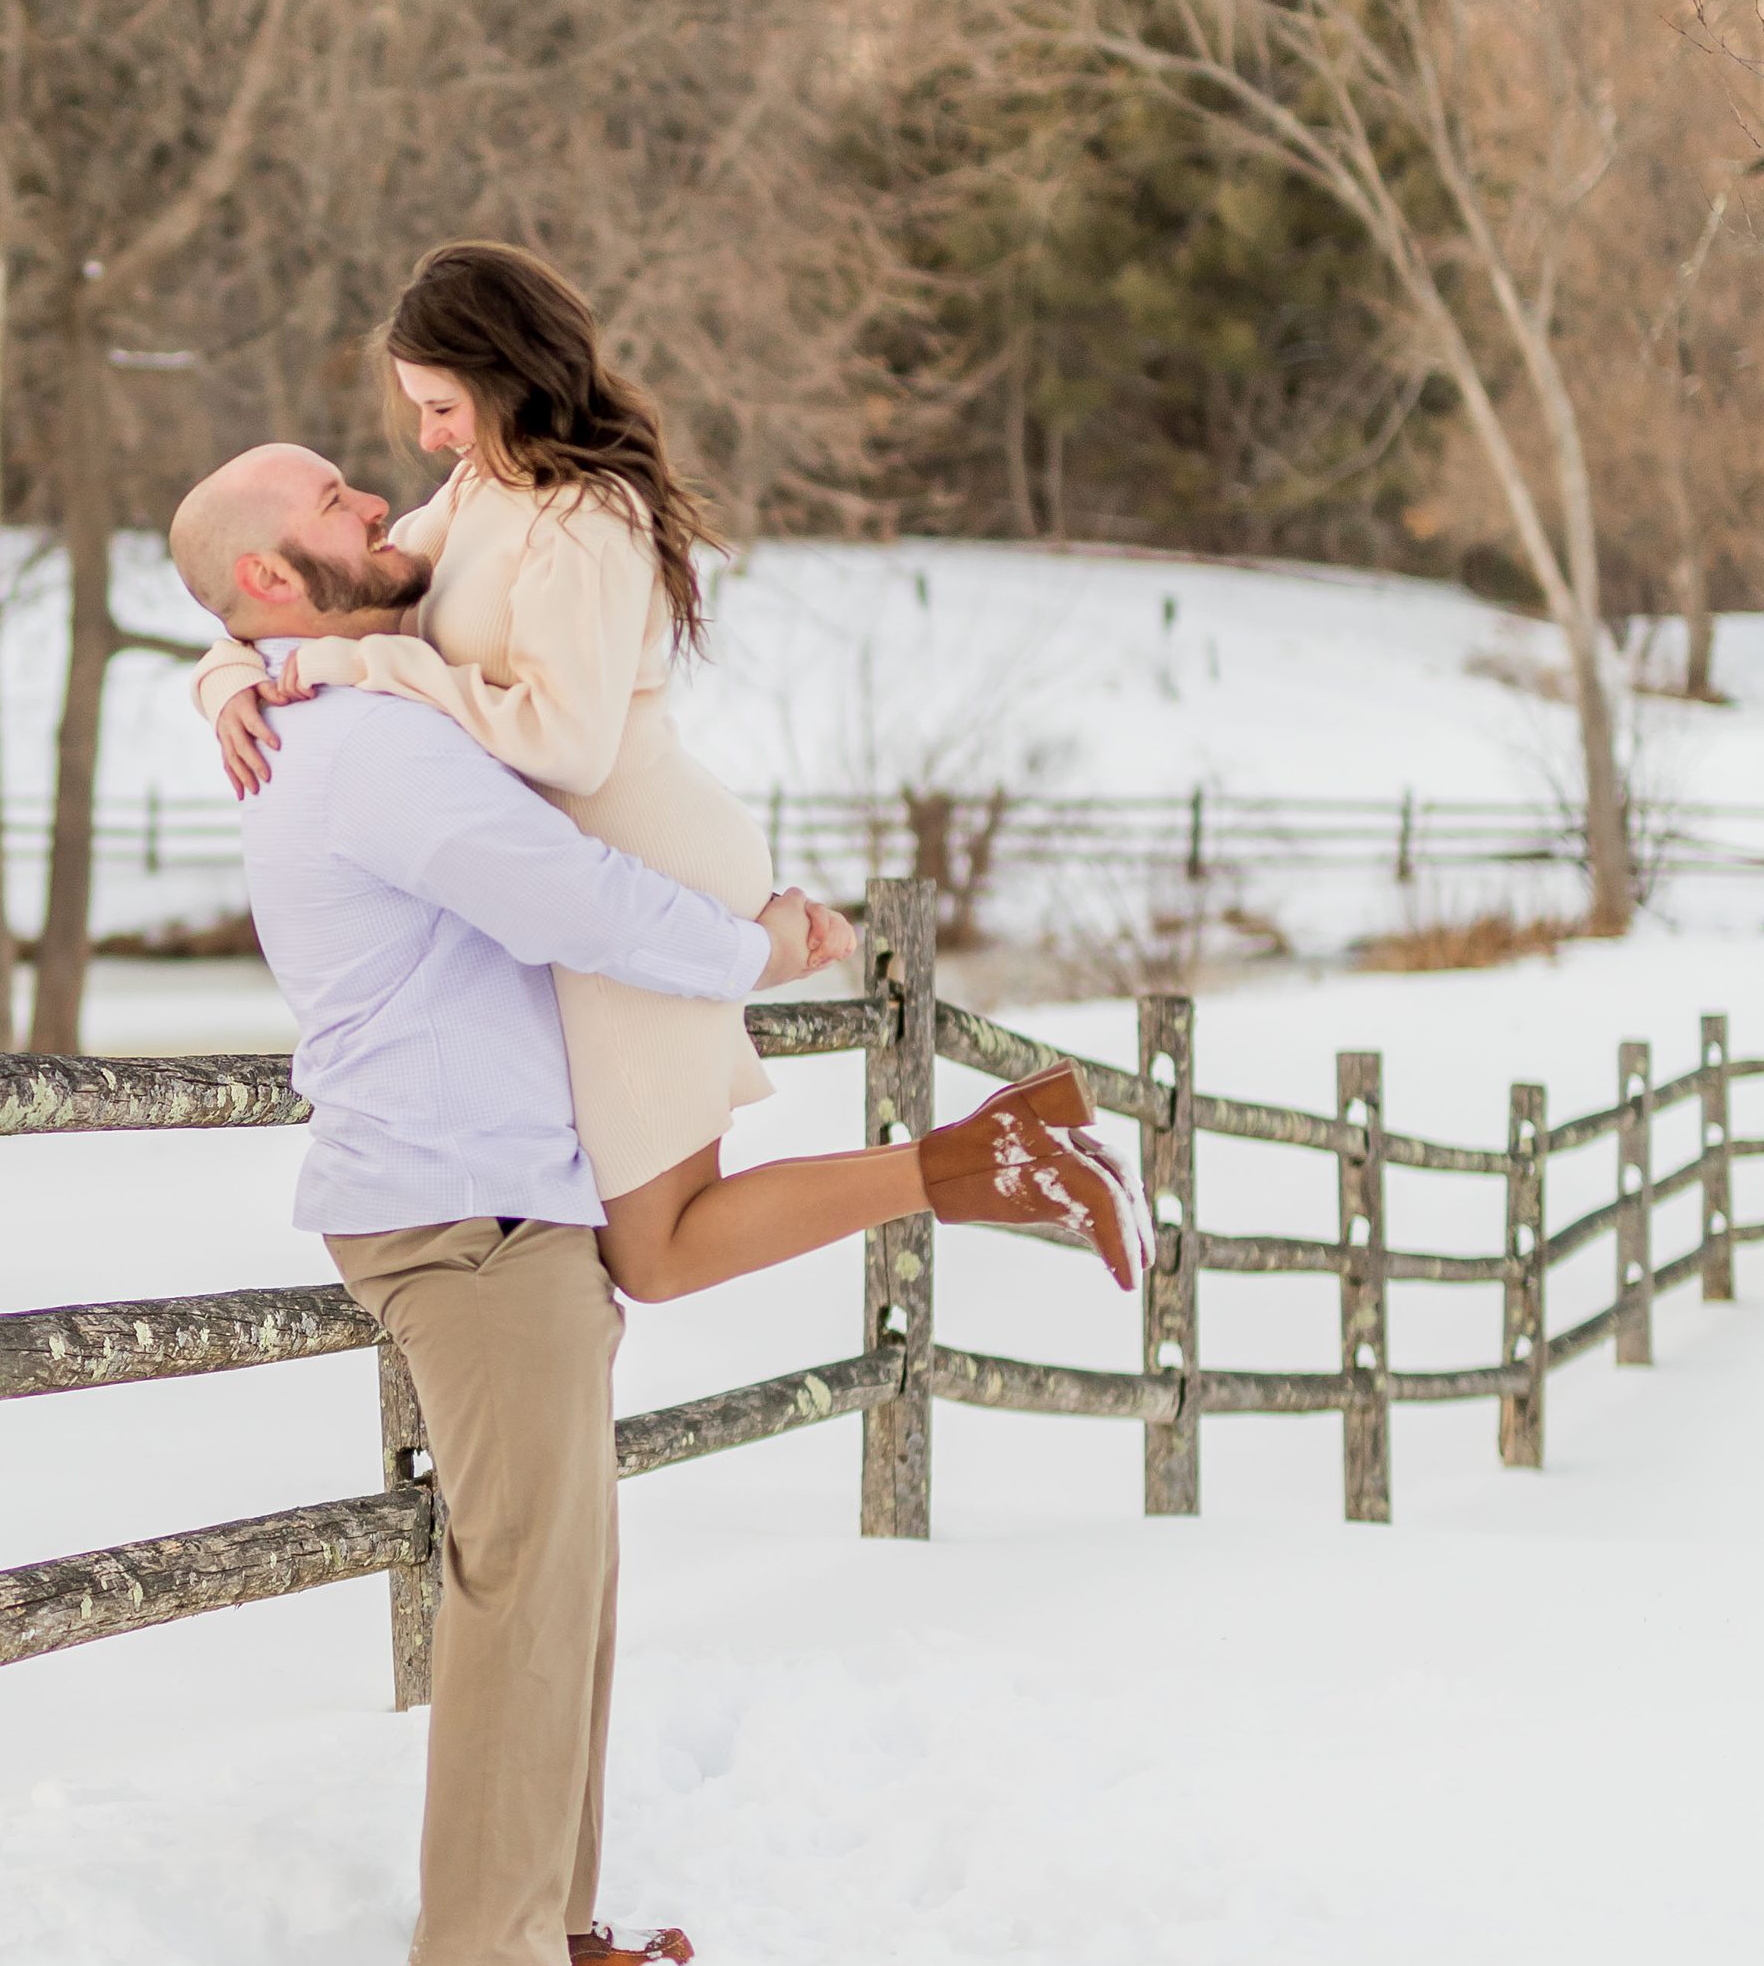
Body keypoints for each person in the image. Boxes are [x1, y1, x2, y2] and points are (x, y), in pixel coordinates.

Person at [168, 435, 1145, 1966]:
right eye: (338, 497)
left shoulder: (342, 681)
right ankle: (477, 1954)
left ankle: (545, 1918)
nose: (375, 497)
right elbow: (574, 900)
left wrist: (222, 672)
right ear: (279, 578)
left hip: (505, 1195)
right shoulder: (359, 752)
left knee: (568, 1573)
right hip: (460, 1210)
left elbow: (270, 624)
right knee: (521, 1575)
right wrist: (765, 946)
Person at [196, 243, 1150, 1304]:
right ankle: (999, 1154)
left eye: (442, 406)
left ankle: (988, 1162)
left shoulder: (584, 519)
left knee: (656, 1249)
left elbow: (566, 744)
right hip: (591, 861)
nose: (426, 438)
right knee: (650, 1243)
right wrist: (231, 669)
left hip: (641, 853)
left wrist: (371, 662)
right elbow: (333, 597)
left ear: (504, 374)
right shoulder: (483, 489)